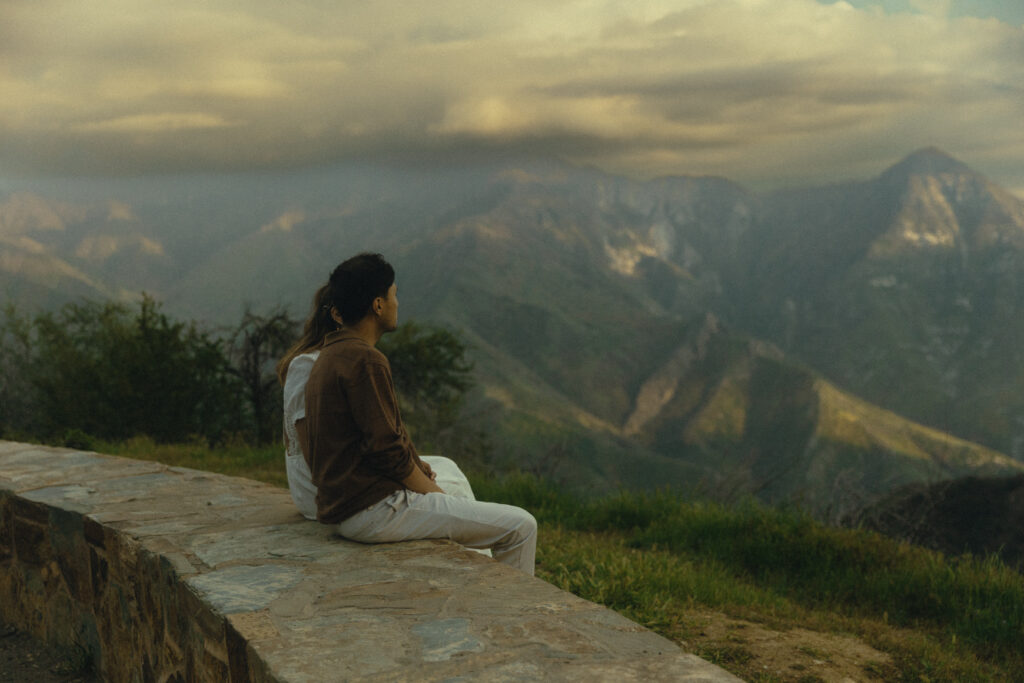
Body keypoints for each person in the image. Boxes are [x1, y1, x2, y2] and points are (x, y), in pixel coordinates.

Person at [303, 253, 537, 574]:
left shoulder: (331, 354)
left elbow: (383, 435)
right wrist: (434, 494)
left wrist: (416, 463)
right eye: (394, 295)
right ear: (378, 305)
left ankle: (476, 567)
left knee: (446, 467)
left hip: (344, 504)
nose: (398, 303)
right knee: (522, 526)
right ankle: (513, 611)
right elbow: (386, 451)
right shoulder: (366, 361)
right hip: (372, 510)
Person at [276, 284, 480, 520]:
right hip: (323, 490)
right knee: (453, 488)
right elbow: (314, 453)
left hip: (348, 472)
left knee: (447, 467)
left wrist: (412, 463)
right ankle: (471, 545)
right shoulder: (307, 366)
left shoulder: (350, 360)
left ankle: (469, 543)